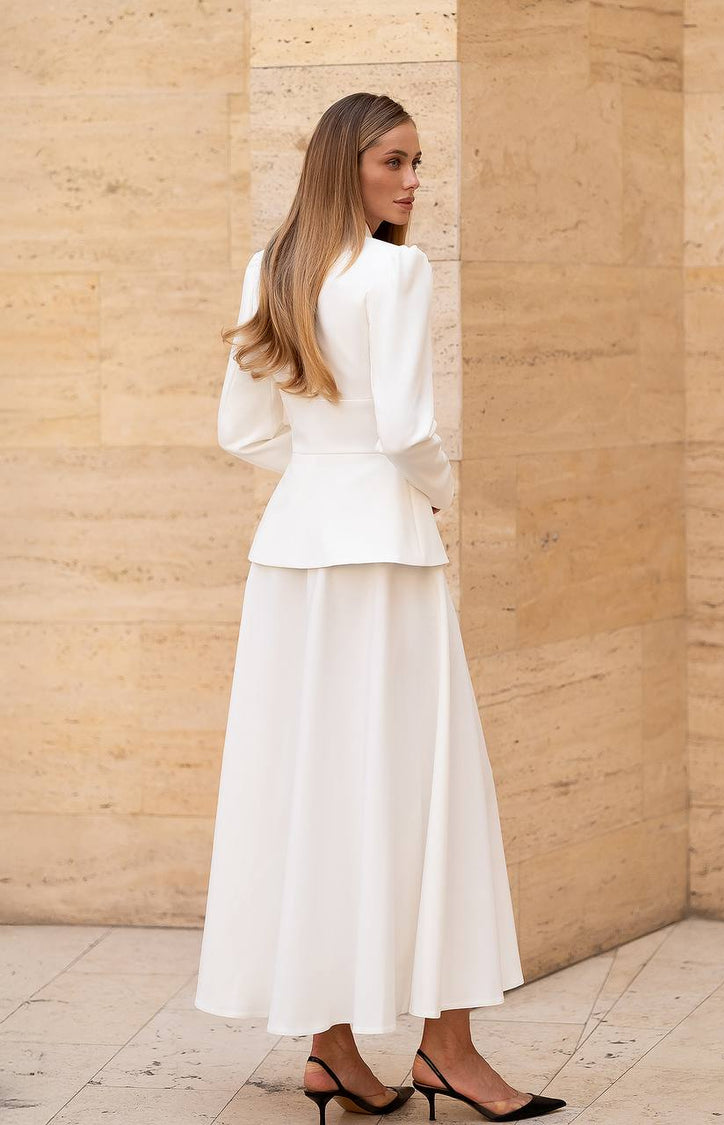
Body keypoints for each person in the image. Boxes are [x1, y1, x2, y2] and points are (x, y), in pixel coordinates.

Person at [193, 91, 566, 1123]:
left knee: (314, 788)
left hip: (295, 557)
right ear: (345, 166)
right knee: (423, 787)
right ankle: (449, 1051)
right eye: (394, 163)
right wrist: (430, 491)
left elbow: (245, 433)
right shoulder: (399, 273)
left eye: (416, 166)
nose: (412, 184)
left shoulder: (272, 269)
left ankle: (334, 1049)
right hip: (385, 555)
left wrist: (323, 473)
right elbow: (406, 430)